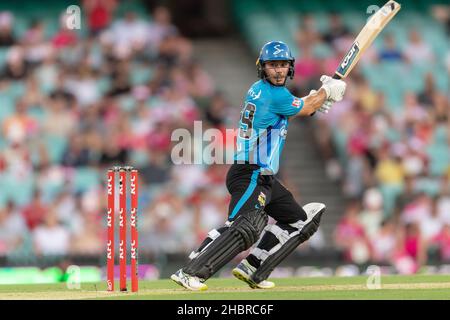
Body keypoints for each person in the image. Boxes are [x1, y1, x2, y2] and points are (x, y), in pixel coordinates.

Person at [171, 41, 347, 290]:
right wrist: (326, 93)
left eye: (283, 65)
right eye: (272, 65)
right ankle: (191, 271)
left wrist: (318, 99)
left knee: (299, 221)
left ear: (290, 67)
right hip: (249, 172)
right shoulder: (273, 94)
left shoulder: (262, 90)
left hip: (264, 177)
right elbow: (304, 106)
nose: (278, 70)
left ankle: (254, 267)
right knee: (247, 225)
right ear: (262, 68)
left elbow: (301, 106)